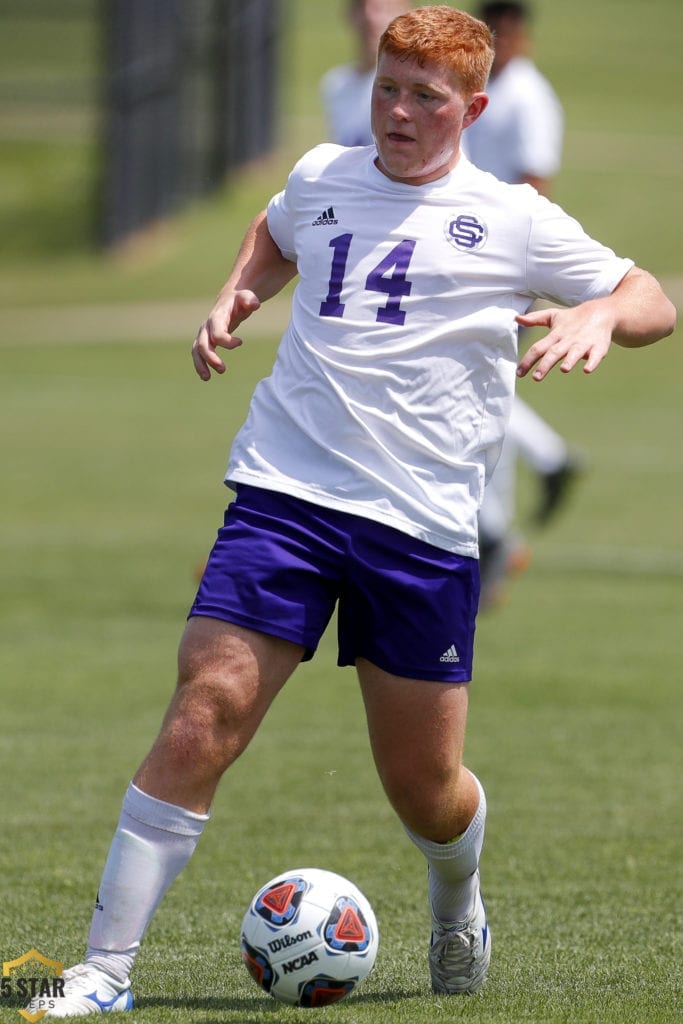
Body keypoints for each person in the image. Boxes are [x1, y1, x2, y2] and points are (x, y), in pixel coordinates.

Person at [30, 6, 675, 1016]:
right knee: (206, 708)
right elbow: (275, 232)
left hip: (417, 528)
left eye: (425, 97)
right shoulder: (324, 175)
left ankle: (456, 890)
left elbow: (651, 298)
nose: (399, 112)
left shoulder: (509, 216)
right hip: (284, 494)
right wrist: (234, 292)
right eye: (388, 88)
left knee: (424, 786)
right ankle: (104, 971)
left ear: (473, 107)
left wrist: (599, 309)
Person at [462, 0, 581, 607]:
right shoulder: (484, 88)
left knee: (482, 388)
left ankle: (493, 535)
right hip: (467, 259)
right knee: (483, 387)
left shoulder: (530, 97)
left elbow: (537, 184)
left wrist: (522, 270)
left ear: (517, 35)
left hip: (502, 263)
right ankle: (537, 479)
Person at [320, 0, 411, 147]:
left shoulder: (416, 84)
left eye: (383, 8)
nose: (370, 17)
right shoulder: (336, 84)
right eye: (361, 6)